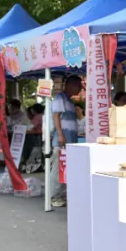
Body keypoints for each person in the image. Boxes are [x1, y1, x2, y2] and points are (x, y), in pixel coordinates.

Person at [49, 75, 83, 207]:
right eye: (79, 86)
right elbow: (56, 115)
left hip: (70, 141)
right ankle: (54, 196)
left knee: (65, 169)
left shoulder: (69, 101)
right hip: (62, 141)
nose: (80, 89)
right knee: (58, 169)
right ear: (71, 85)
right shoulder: (60, 98)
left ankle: (62, 195)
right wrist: (60, 134)